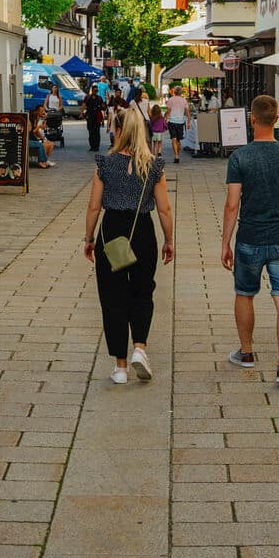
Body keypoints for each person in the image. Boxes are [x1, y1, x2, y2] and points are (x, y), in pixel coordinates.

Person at [222, 94, 279, 387]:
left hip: (249, 237)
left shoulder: (240, 157)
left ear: (252, 119)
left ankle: (246, 352)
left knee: (244, 293)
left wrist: (226, 241)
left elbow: (232, 204)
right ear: (276, 120)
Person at [81, 110, 174, 384]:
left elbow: (94, 206)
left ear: (118, 130)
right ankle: (140, 348)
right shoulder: (153, 165)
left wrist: (89, 239)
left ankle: (120, 366)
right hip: (142, 230)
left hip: (112, 232)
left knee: (113, 297)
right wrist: (169, 240)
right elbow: (165, 209)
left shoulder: (105, 164)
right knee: (143, 291)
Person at [164, 84, 190, 163]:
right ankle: (177, 154)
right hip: (180, 122)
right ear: (181, 92)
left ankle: (176, 155)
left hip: (172, 121)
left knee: (173, 139)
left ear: (174, 92)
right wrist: (188, 122)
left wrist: (165, 118)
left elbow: (168, 111)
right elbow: (187, 112)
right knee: (178, 140)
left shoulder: (170, 100)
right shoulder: (184, 100)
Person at [84, 81, 106, 154]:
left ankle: (96, 146)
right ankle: (92, 146)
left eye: (97, 90)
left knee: (97, 132)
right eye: (95, 90)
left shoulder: (99, 98)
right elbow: (84, 105)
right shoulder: (87, 97)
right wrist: (81, 113)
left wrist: (104, 109)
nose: (96, 91)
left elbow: (103, 106)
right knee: (91, 132)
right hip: (90, 116)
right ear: (92, 90)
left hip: (97, 117)